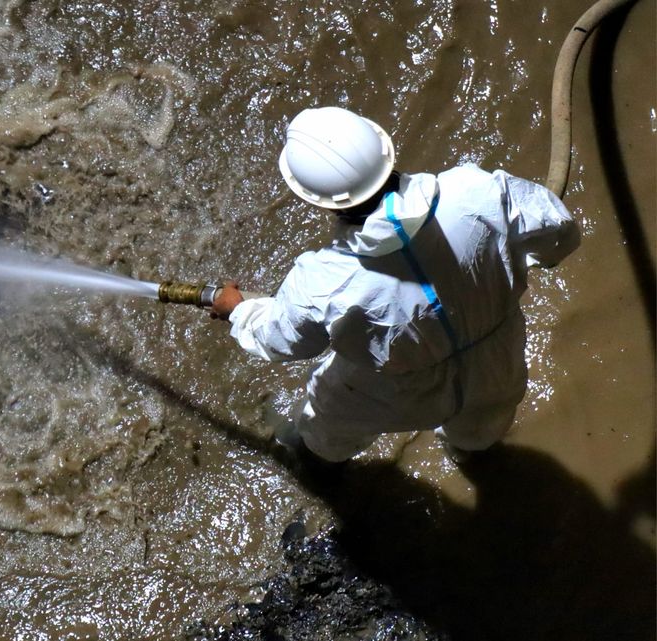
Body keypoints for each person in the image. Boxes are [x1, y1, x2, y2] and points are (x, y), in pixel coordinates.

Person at [211, 106, 580, 464]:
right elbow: (559, 229)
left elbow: (282, 340)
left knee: (327, 420)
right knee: (483, 425)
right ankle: (469, 453)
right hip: (496, 355)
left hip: (395, 389)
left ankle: (312, 459)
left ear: (314, 199)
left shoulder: (323, 278)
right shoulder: (477, 190)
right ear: (384, 151)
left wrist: (239, 310)